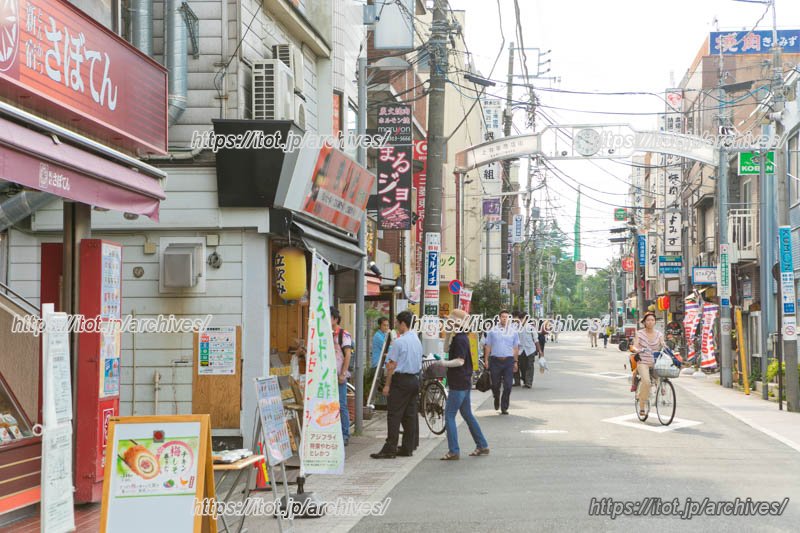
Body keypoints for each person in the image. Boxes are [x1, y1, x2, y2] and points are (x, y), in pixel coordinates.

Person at [434, 309, 490, 460]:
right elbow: (446, 349)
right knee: (467, 414)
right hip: (464, 381)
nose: (447, 323)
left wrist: (442, 363)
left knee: (450, 415)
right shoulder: (459, 337)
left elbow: (460, 361)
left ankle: (453, 450)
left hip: (458, 382)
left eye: (449, 321)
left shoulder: (460, 339)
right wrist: (447, 335)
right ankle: (482, 445)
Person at [370, 311, 423, 459]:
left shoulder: (399, 342)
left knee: (394, 414)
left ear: (403, 324)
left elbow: (391, 365)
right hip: (414, 380)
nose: (396, 326)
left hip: (400, 381)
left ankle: (390, 448)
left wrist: (387, 385)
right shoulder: (417, 340)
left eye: (397, 323)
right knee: (410, 415)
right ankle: (407, 447)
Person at [483, 310, 520, 415]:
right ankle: (496, 397)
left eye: (506, 317)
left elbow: (516, 347)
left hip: (508, 361)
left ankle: (504, 407)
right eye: (503, 316)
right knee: (495, 384)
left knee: (508, 385)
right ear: (499, 318)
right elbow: (488, 346)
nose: (504, 318)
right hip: (495, 361)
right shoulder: (492, 331)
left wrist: (516, 362)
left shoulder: (513, 332)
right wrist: (486, 360)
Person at [632, 311, 665, 417]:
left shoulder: (659, 334)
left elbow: (663, 344)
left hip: (655, 362)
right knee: (646, 382)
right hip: (643, 361)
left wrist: (667, 349)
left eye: (652, 320)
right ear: (644, 322)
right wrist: (636, 349)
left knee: (662, 375)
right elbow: (635, 345)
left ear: (655, 322)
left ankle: (662, 387)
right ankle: (642, 406)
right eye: (648, 320)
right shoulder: (640, 333)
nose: (650, 322)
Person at [330, 307, 352, 446]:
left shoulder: (343, 334)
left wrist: (343, 373)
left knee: (341, 405)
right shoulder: (324, 334)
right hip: (327, 376)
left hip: (339, 375)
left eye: (329, 317)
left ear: (335, 319)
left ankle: (345, 434)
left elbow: (348, 354)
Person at [517, 312, 542, 388]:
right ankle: (525, 380)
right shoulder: (517, 328)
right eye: (520, 318)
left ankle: (529, 382)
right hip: (521, 350)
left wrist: (540, 351)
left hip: (530, 350)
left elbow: (536, 339)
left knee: (530, 366)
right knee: (522, 367)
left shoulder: (531, 328)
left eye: (523, 318)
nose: (521, 320)